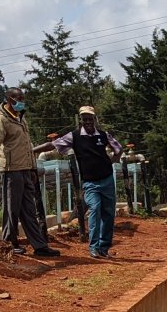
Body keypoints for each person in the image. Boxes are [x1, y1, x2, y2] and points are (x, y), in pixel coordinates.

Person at [0, 87, 59, 258]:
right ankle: (9, 244)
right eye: (17, 98)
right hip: (11, 170)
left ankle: (39, 246)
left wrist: (32, 168)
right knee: (12, 209)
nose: (20, 101)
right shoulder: (1, 118)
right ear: (8, 99)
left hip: (25, 169)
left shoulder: (20, 118)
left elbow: (28, 146)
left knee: (29, 209)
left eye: (22, 98)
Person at [42, 107, 122, 259]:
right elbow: (54, 145)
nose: (88, 121)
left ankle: (104, 248)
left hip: (107, 180)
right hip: (90, 183)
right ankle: (93, 247)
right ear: (81, 120)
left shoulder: (104, 135)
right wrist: (32, 150)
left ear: (95, 119)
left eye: (90, 118)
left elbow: (118, 148)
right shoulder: (75, 136)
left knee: (108, 214)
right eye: (84, 118)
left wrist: (111, 162)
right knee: (95, 208)